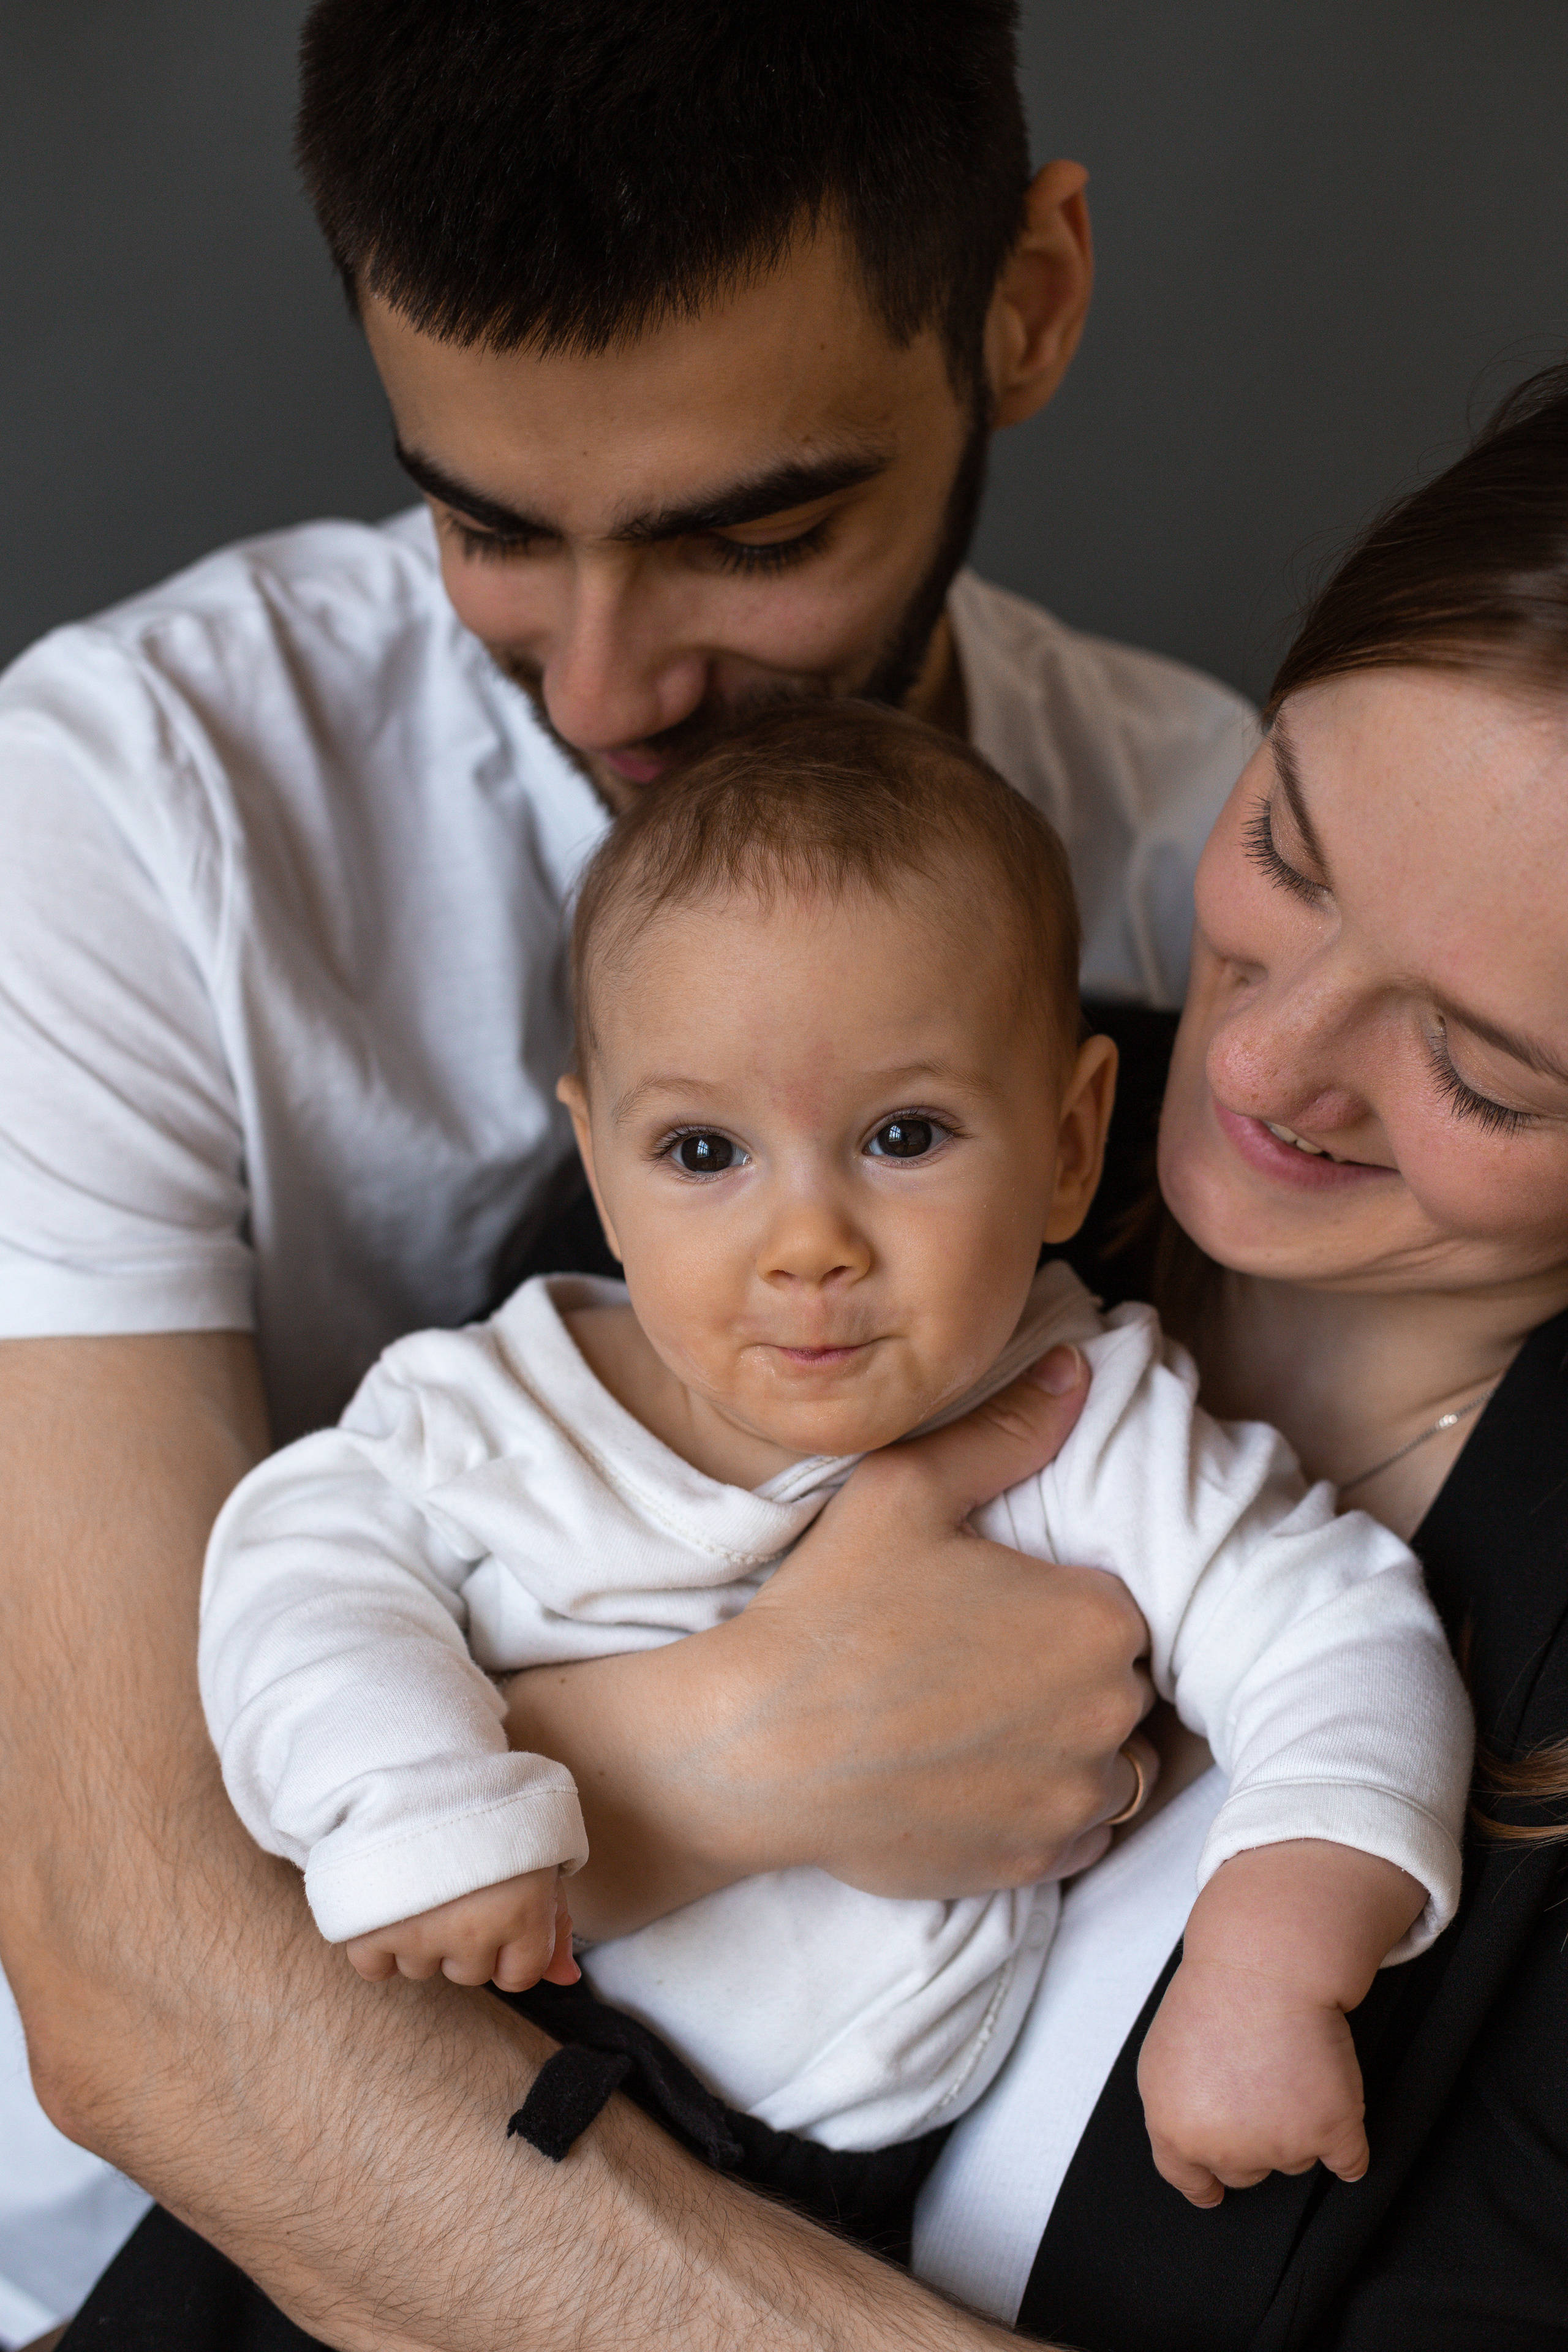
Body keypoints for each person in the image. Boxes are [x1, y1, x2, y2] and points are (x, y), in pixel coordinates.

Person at [0, 2, 1257, 2342]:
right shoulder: (124, 808)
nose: (598, 686)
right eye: (490, 523)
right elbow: (139, 1971)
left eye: (754, 533)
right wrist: (745, 1750)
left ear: (1028, 303)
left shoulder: (1214, 872)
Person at [195, 706, 1466, 2236]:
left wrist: (1269, 1961)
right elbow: (293, 1583)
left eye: (904, 1135)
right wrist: (415, 1806)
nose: (807, 1246)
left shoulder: (1087, 1421)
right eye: (703, 1156)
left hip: (820, 2199)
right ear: (597, 1168)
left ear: (1068, 1145)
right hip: (426, 2064)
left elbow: (1341, 1642)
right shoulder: (485, 1407)